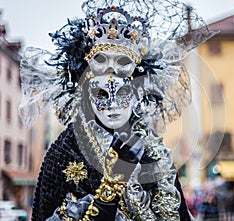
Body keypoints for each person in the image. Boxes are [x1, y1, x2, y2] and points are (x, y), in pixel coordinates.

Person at [18, 0, 216, 220]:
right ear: (86, 94)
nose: (112, 105)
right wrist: (110, 188)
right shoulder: (65, 151)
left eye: (123, 94)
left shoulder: (154, 151)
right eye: (101, 95)